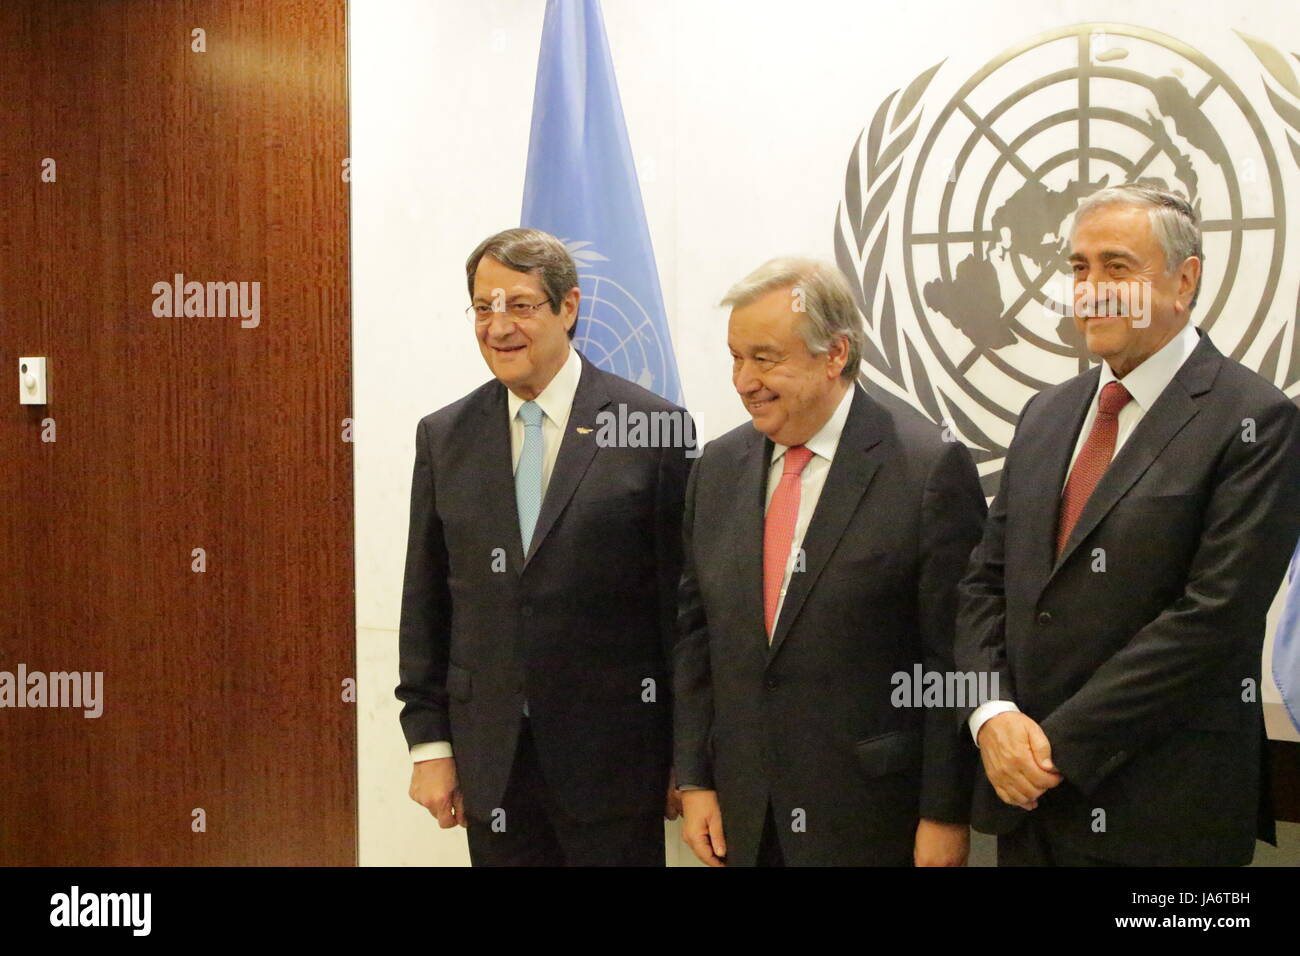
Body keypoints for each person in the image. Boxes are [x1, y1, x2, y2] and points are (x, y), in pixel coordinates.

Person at [957, 184, 1300, 865]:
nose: (1090, 290)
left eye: (1117, 267)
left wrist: (1052, 748)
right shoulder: (1045, 414)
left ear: (1185, 280)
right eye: (1079, 269)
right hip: (1025, 810)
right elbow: (984, 585)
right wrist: (991, 716)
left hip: (1163, 816)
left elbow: (1212, 618)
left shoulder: (1253, 419)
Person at [673, 258, 985, 866]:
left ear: (835, 353)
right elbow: (695, 635)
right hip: (745, 817)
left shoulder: (926, 468)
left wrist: (945, 814)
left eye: (765, 358)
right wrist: (695, 778)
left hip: (872, 819)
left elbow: (955, 659)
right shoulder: (716, 467)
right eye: (735, 357)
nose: (743, 381)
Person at [396, 228, 692, 865]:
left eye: (520, 304)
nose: (498, 325)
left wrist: (688, 759)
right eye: (483, 306)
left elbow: (682, 613)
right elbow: (426, 603)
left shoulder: (652, 430)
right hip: (491, 767)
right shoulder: (444, 437)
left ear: (569, 307)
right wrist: (429, 746)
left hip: (616, 769)